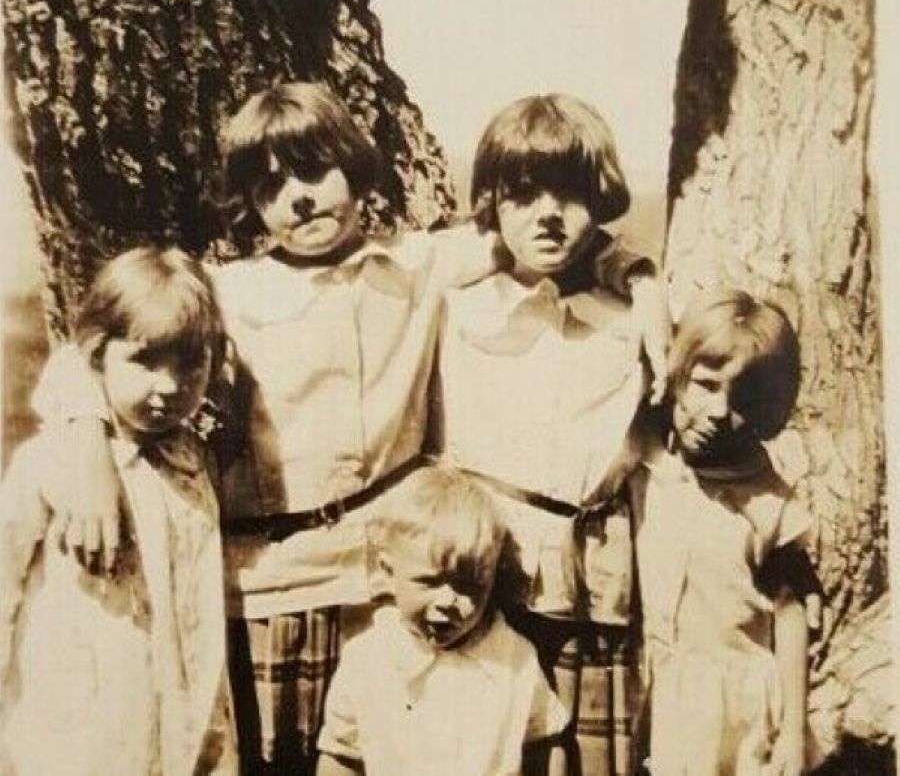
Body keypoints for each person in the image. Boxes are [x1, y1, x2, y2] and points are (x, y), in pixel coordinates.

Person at [34, 81, 665, 775]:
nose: (298, 197)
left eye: (313, 171)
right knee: (278, 759)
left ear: (356, 168)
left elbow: (548, 230)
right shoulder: (225, 290)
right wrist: (88, 446)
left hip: (385, 587)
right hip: (272, 584)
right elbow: (86, 354)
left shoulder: (420, 264)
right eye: (271, 186)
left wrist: (639, 274)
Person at [436, 93, 654, 776]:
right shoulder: (456, 303)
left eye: (571, 192)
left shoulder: (631, 319)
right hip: (482, 577)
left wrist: (644, 278)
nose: (549, 213)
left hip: (594, 588)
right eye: (524, 193)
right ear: (496, 201)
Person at [0, 247, 237, 776]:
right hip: (76, 733)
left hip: (176, 726)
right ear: (96, 355)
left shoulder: (192, 465)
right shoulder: (54, 462)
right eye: (144, 361)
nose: (170, 387)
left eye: (189, 363)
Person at [629, 290, 811, 776]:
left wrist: (794, 730)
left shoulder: (769, 503)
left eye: (744, 401)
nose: (718, 412)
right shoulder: (650, 464)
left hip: (733, 709)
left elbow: (791, 612)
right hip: (656, 690)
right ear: (676, 376)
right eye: (706, 385)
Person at [316, 465, 568, 776]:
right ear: (388, 571)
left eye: (469, 587)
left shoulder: (515, 658)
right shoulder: (367, 660)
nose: (448, 602)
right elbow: (341, 757)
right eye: (429, 582)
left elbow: (545, 743)